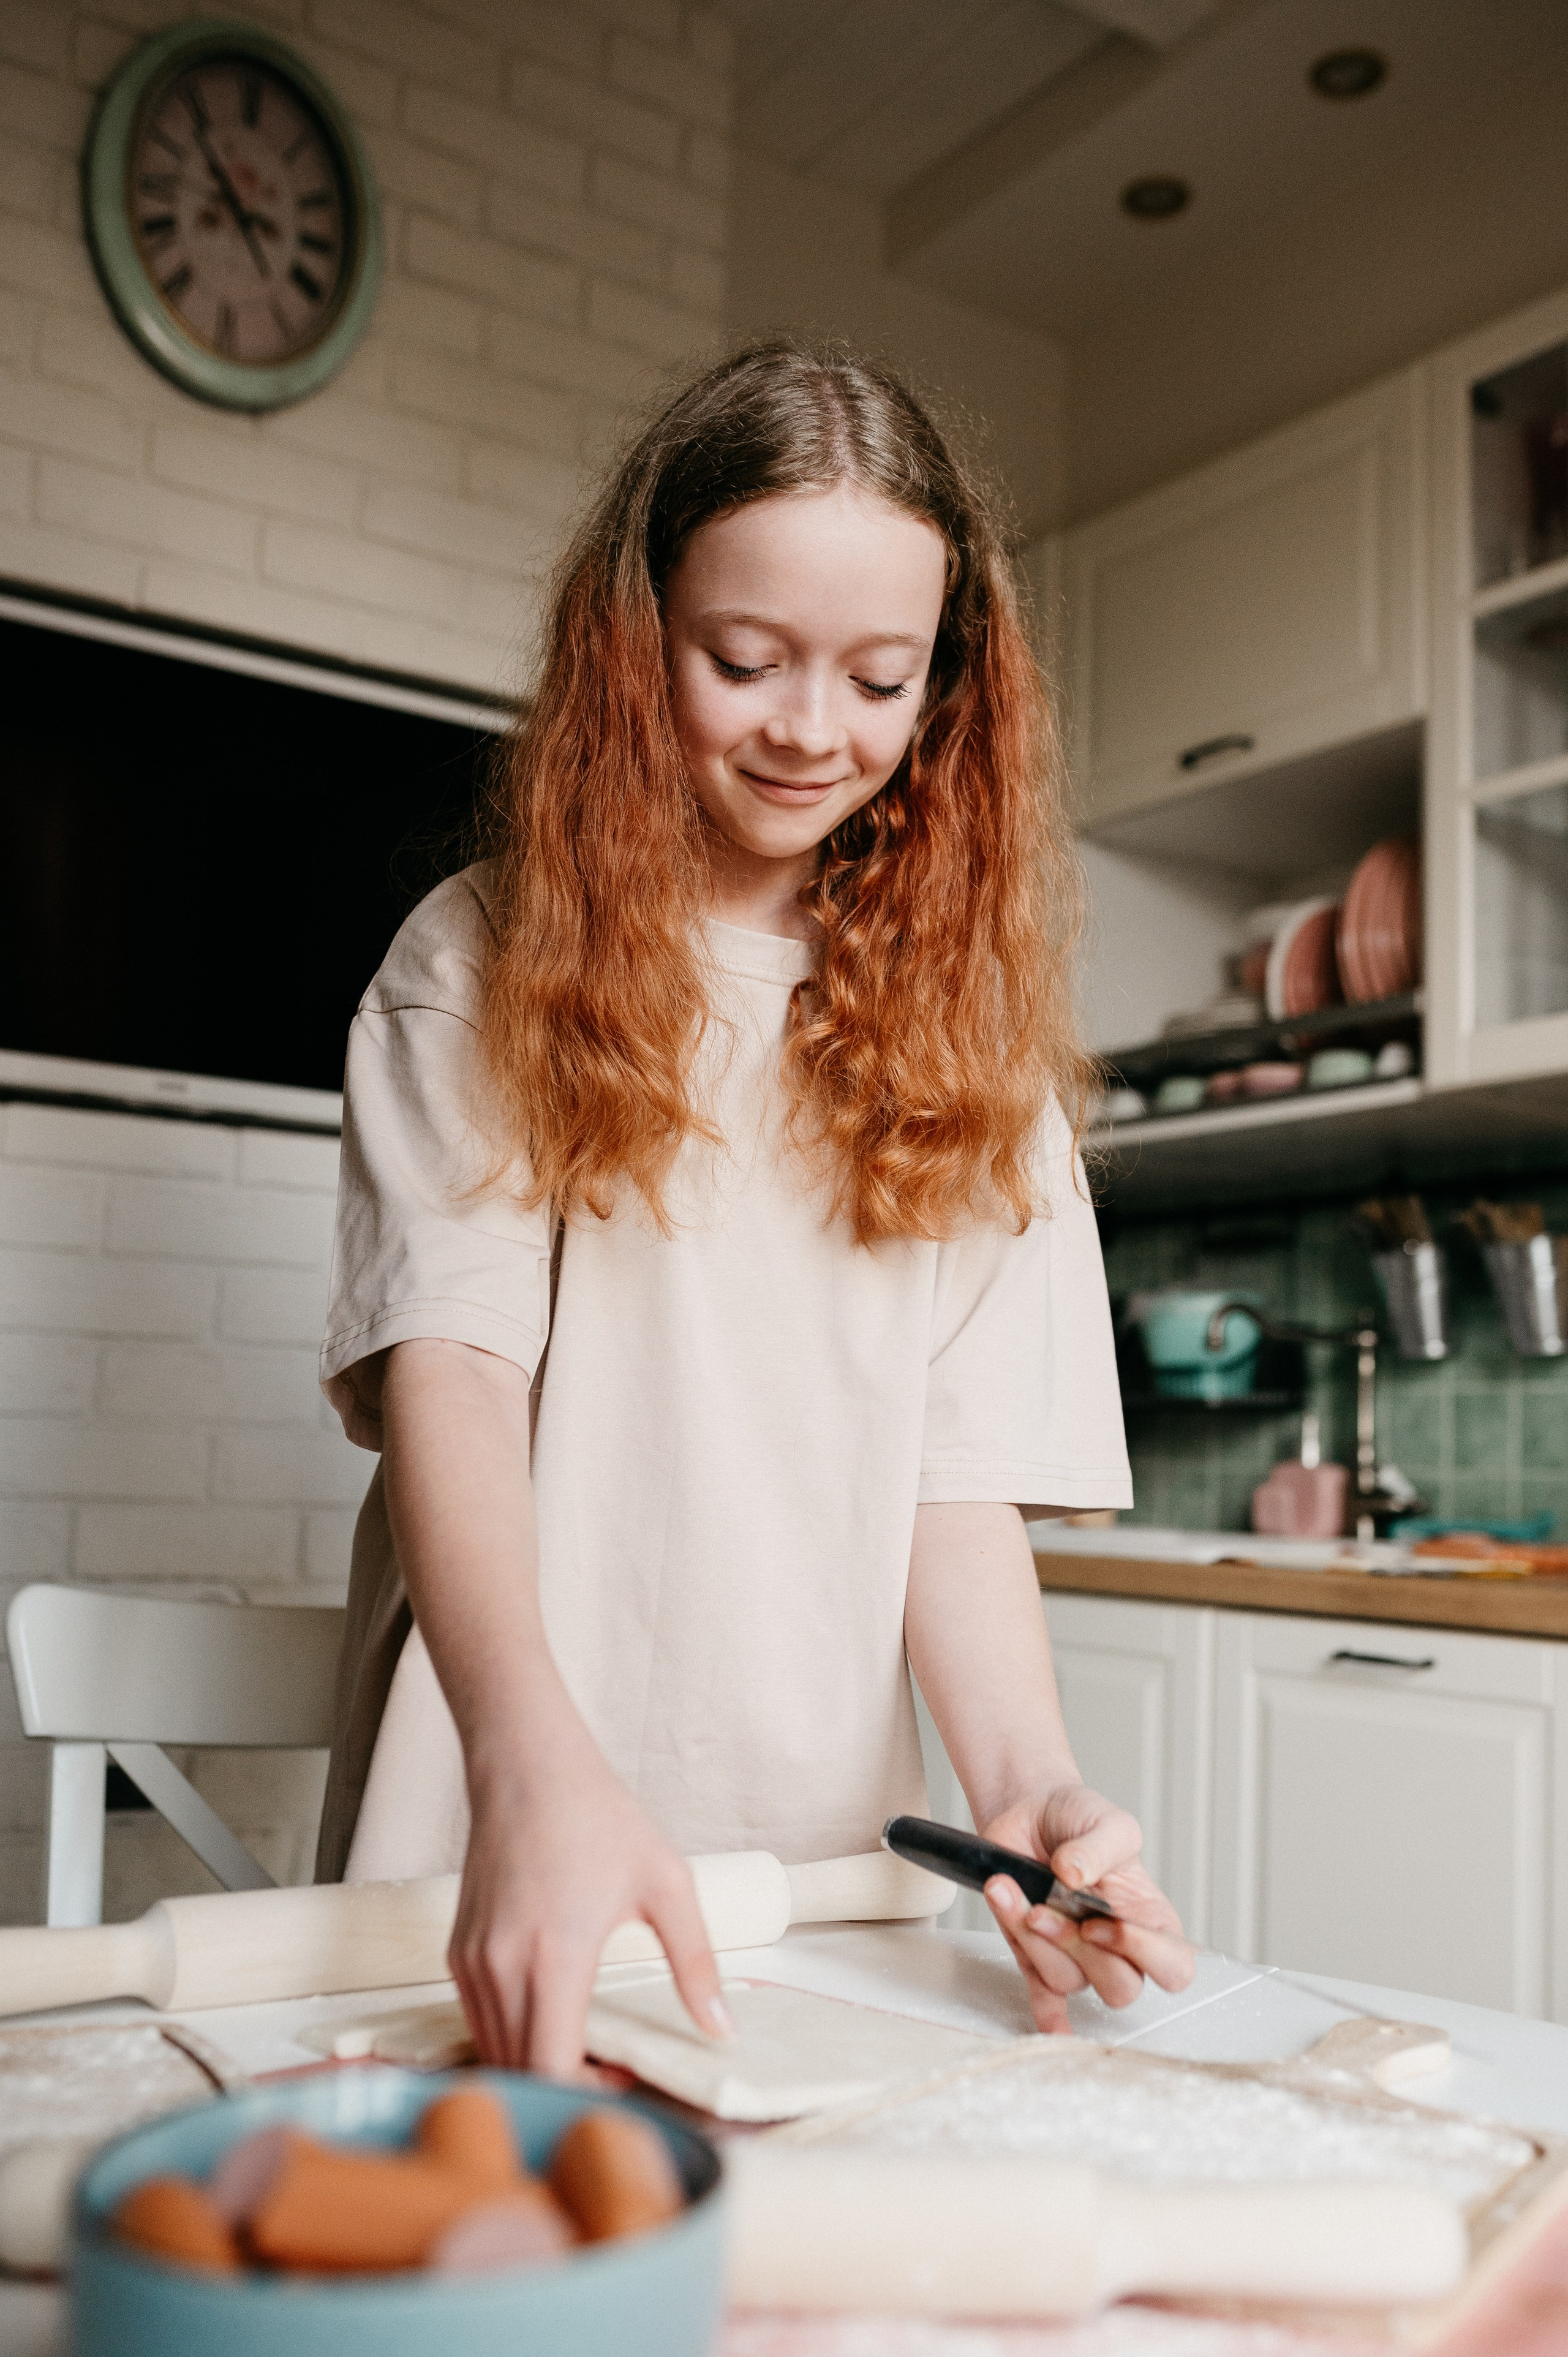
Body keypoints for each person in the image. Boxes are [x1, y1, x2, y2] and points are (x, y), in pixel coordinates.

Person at [315, 341, 1194, 2074]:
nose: (813, 730)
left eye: (882, 679)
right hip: (494, 1828)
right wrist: (536, 1771)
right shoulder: (480, 960)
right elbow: (458, 1378)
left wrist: (1031, 1795)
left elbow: (952, 1496)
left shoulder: (976, 1046)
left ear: (949, 686)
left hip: (817, 1890)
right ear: (636, 641)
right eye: (744, 660)